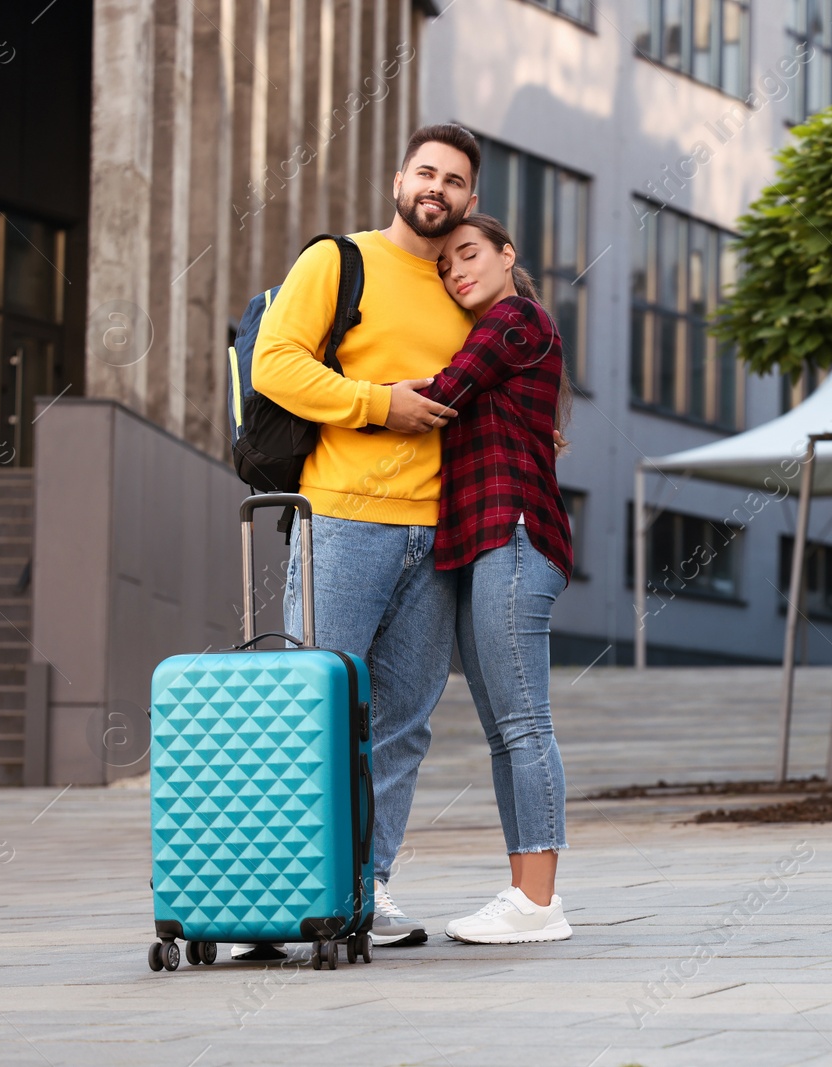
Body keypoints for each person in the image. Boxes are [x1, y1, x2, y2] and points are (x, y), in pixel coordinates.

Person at [249, 123, 484, 951]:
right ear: (399, 179)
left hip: (438, 535)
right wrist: (380, 402)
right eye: (427, 172)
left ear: (470, 200)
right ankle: (279, 897)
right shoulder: (338, 261)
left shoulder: (467, 288)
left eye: (454, 182)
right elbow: (274, 362)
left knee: (403, 723)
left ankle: (366, 888)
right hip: (343, 517)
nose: (438, 190)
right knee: (307, 712)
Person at [418, 214, 575, 944]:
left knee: (523, 724)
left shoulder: (514, 318)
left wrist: (362, 391)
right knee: (503, 730)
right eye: (445, 265)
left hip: (514, 535)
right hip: (485, 545)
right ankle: (525, 893)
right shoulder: (500, 327)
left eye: (469, 254)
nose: (457, 271)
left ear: (509, 255)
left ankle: (540, 901)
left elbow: (444, 391)